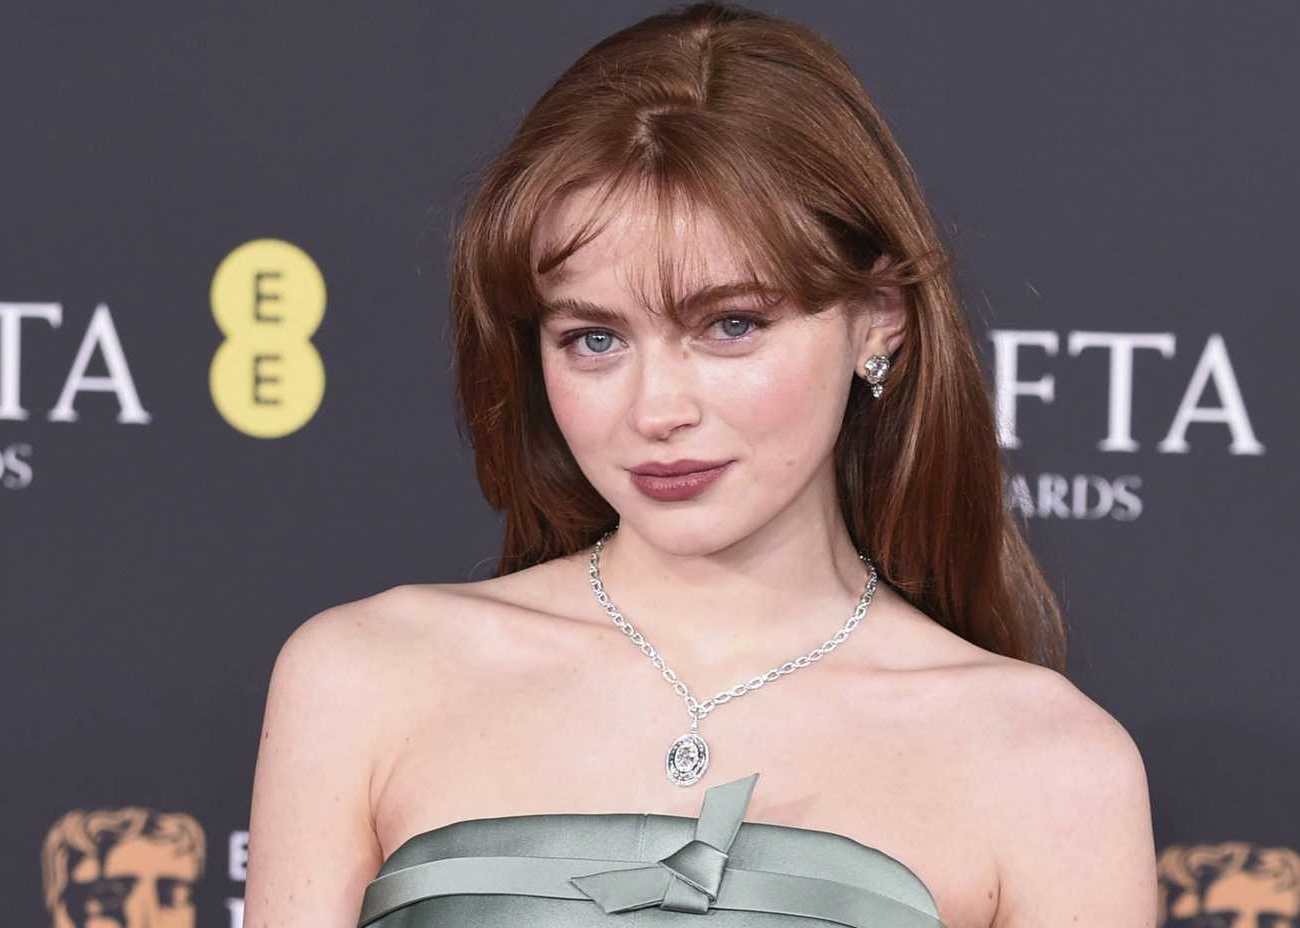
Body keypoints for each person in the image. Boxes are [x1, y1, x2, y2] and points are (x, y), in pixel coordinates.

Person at [242, 3, 1155, 926]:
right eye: (595, 338)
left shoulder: (1050, 765)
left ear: (878, 320)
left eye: (731, 325)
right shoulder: (363, 679)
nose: (657, 411)